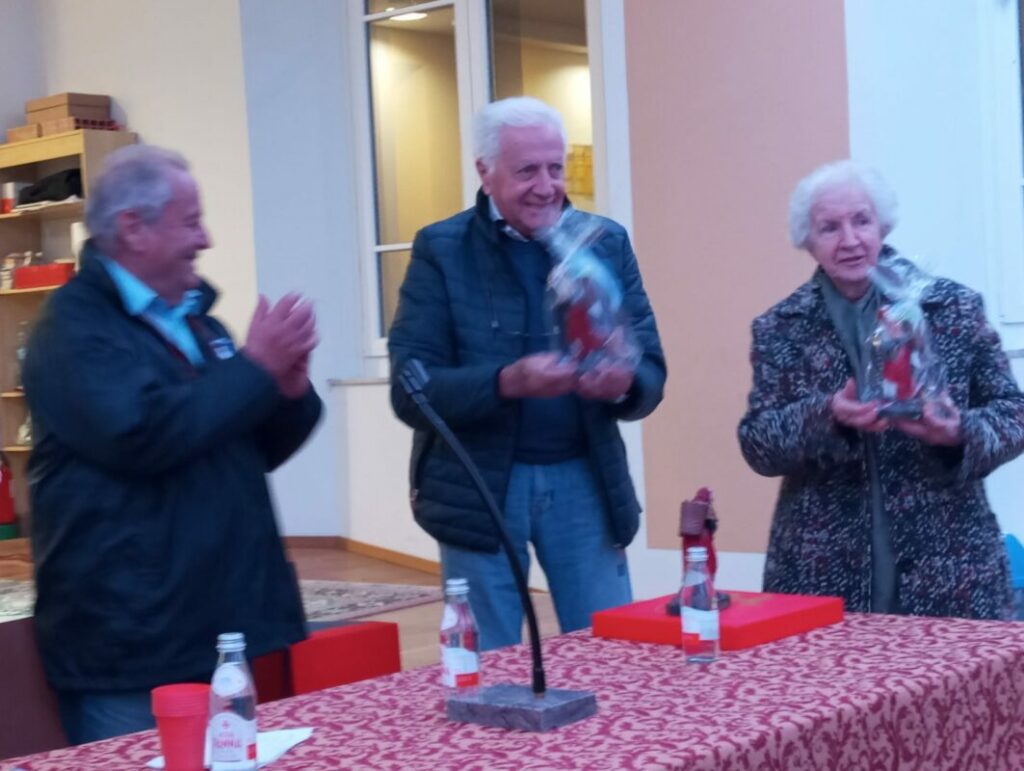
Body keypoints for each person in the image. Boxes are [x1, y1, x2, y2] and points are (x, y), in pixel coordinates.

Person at [23, 145, 322, 744]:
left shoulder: (198, 323)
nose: (205, 239)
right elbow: (141, 435)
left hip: (215, 630)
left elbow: (248, 450)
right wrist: (254, 369)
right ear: (134, 228)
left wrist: (286, 392)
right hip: (130, 645)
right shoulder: (72, 329)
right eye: (191, 222)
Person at [388, 97, 666, 650]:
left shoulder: (603, 243)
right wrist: (507, 383)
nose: (546, 187)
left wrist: (625, 383)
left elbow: (651, 369)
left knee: (609, 654)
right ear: (484, 172)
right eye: (527, 171)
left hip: (585, 480)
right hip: (480, 489)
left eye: (555, 168)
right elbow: (410, 388)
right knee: (489, 665)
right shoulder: (442, 249)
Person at [738, 159, 1024, 618]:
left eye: (861, 221)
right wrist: (827, 415)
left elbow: (1013, 413)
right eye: (829, 227)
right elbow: (758, 443)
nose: (850, 240)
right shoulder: (780, 327)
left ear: (882, 225)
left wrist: (958, 432)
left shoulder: (951, 307)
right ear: (807, 241)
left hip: (950, 568)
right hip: (820, 573)